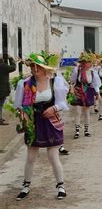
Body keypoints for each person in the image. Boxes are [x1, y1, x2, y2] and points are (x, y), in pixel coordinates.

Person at [13, 52, 69, 200]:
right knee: (31, 156)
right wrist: (23, 115)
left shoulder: (55, 81)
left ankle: (61, 186)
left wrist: (54, 108)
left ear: (45, 68)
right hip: (34, 123)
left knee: (53, 156)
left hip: (52, 122)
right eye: (32, 66)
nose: (34, 69)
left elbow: (63, 103)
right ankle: (26, 186)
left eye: (37, 66)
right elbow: (18, 105)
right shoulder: (24, 84)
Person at [70, 53, 101, 139]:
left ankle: (86, 130)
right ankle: (77, 130)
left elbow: (96, 84)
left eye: (90, 62)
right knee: (77, 111)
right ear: (84, 62)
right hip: (78, 90)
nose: (89, 63)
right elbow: (72, 80)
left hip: (88, 92)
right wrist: (71, 88)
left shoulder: (93, 72)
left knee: (86, 111)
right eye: (87, 62)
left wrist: (98, 94)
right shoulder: (77, 70)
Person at [0, 55, 16, 125]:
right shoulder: (4, 66)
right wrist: (11, 58)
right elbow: (13, 67)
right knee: (0, 104)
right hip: (2, 90)